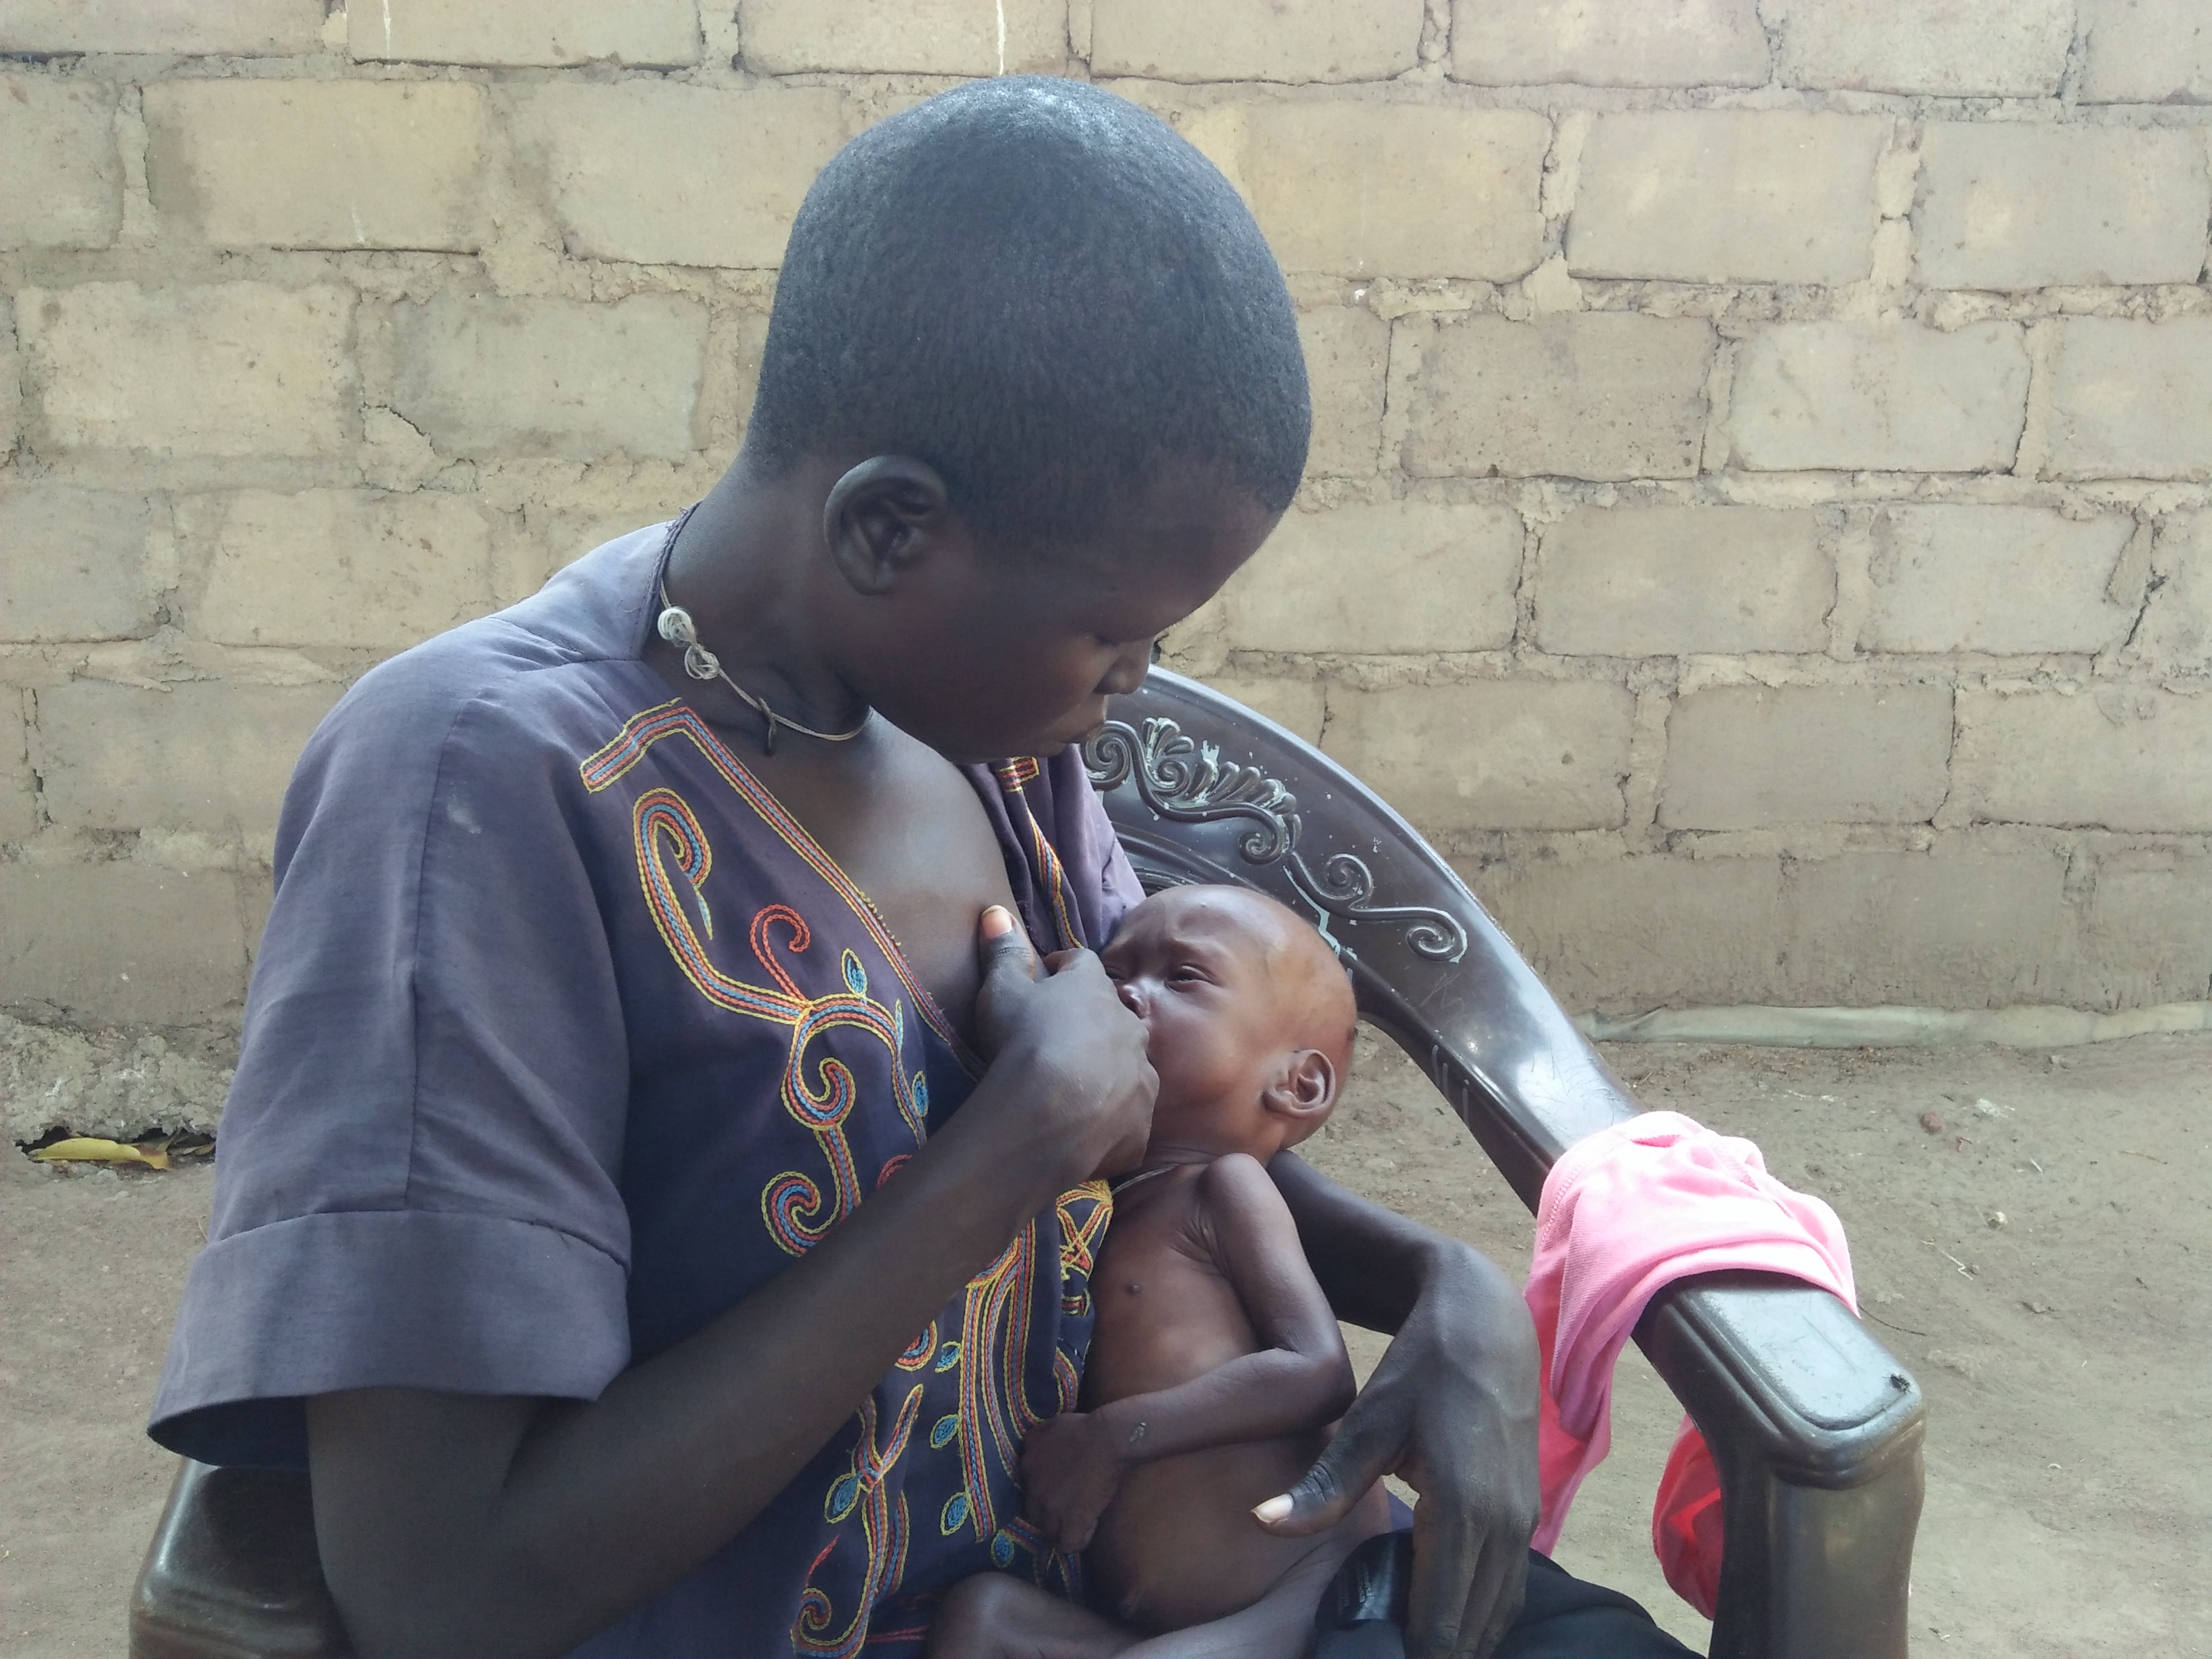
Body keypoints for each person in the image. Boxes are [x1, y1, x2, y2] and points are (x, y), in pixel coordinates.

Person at [146, 76, 1681, 1659]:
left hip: (1115, 1597)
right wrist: (999, 1156)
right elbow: (442, 1589)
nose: (1134, 682)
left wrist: (1448, 1282)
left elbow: (1138, 1129)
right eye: (1115, 631)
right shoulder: (480, 791)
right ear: (889, 530)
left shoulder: (977, 727)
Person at [928, 883, 1391, 1658]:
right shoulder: (1092, 1207)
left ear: (1298, 1083)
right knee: (981, 1621)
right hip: (1144, 1623)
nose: (1125, 996)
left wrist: (1111, 1438)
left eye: (1182, 978)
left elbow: (1316, 1371)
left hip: (1298, 1595)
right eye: (1114, 974)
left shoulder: (1225, 1189)